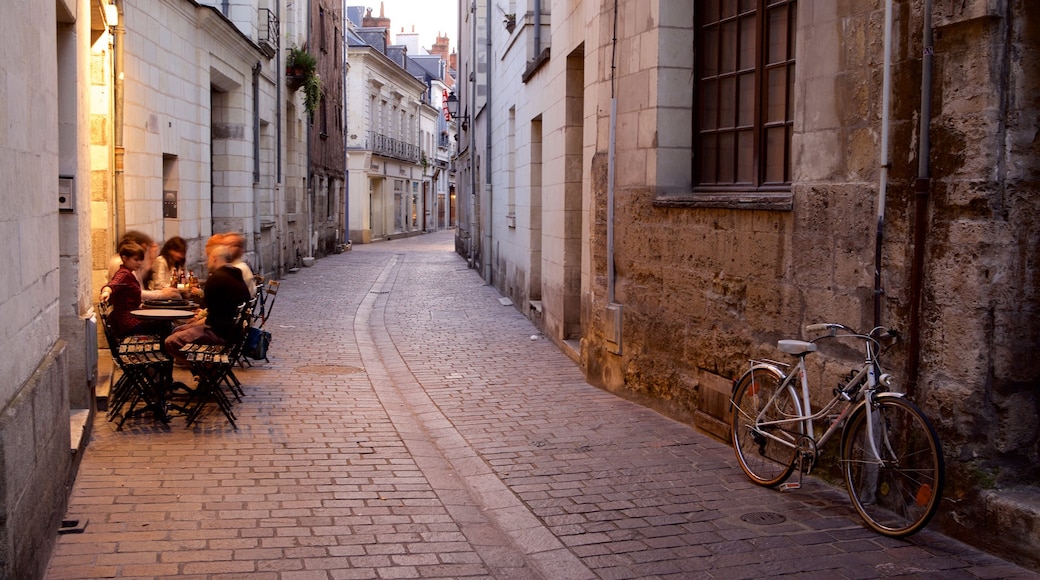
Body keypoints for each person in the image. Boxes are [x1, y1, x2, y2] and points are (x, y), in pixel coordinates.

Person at [164, 244, 250, 367]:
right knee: (179, 330)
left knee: (171, 341)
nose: (206, 262)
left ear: (215, 258)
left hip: (218, 334)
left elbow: (212, 318)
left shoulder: (217, 278)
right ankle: (205, 370)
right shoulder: (235, 275)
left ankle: (205, 369)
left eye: (208, 258)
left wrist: (191, 325)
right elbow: (217, 312)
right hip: (233, 333)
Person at [100, 240, 169, 339]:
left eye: (141, 260)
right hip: (129, 323)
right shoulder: (124, 274)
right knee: (165, 324)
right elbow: (113, 284)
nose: (140, 263)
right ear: (124, 258)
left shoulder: (128, 273)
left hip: (130, 320)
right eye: (136, 260)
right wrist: (106, 291)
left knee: (163, 322)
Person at [107, 231, 180, 301]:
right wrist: (162, 294)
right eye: (145, 250)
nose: (145, 254)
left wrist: (163, 292)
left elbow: (139, 289)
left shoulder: (133, 264)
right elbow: (136, 293)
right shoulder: (120, 263)